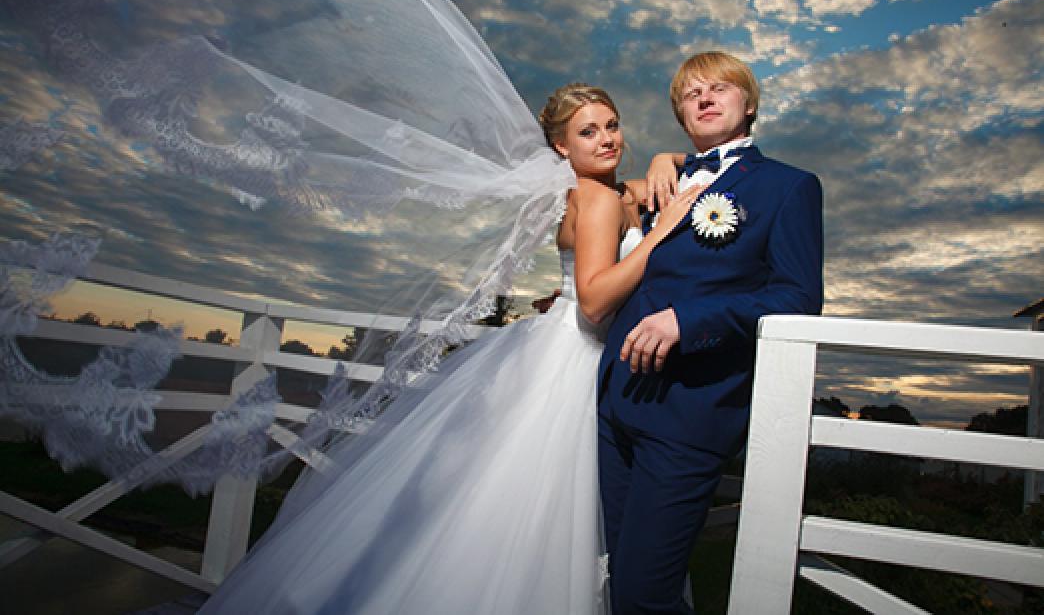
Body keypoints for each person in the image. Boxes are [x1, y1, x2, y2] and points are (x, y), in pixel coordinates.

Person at [198, 83, 702, 614]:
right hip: (577, 357)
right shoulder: (598, 199)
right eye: (588, 131)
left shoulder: (603, 192)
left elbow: (698, 169)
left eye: (612, 125)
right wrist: (659, 235)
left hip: (557, 344)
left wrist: (666, 158)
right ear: (561, 146)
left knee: (488, 500)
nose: (607, 140)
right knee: (550, 510)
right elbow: (596, 301)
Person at [596, 51, 824, 614]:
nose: (704, 98)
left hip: (688, 411)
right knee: (614, 577)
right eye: (690, 93)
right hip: (614, 404)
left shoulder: (788, 187)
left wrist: (691, 320)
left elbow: (798, 299)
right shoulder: (663, 183)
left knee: (646, 595)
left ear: (749, 104)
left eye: (719, 87)